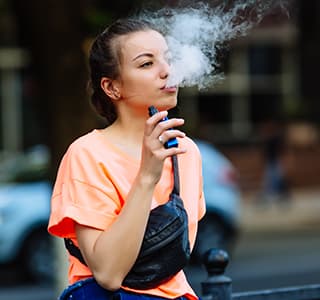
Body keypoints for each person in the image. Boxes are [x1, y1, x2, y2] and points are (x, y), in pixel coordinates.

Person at [48, 18, 206, 300]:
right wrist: (148, 176)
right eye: (147, 64)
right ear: (111, 87)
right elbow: (108, 274)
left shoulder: (187, 153)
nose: (166, 71)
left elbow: (171, 259)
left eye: (167, 59)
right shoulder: (87, 154)